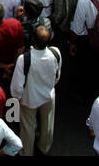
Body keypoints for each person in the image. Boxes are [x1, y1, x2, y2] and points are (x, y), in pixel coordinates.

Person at [9, 24, 61, 156]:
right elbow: (57, 76)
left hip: (29, 97)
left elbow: (17, 86)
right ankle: (44, 147)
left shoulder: (24, 58)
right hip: (49, 95)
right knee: (47, 124)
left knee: (27, 127)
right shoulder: (55, 53)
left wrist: (17, 98)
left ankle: (27, 151)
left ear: (32, 39)